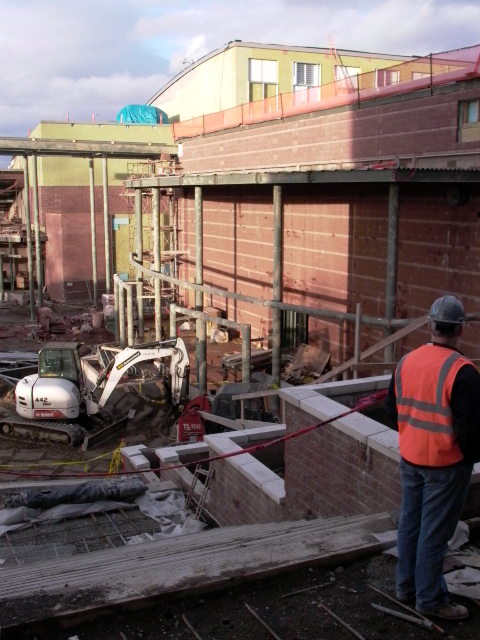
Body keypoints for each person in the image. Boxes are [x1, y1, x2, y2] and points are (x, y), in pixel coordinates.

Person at [385, 294, 480, 620]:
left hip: (411, 459)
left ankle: (406, 587)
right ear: (460, 329)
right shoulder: (463, 371)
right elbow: (470, 431)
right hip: (446, 466)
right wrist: (470, 458)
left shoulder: (406, 362)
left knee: (410, 524)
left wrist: (414, 437)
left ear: (430, 324)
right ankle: (430, 600)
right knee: (435, 535)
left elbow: (390, 410)